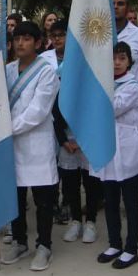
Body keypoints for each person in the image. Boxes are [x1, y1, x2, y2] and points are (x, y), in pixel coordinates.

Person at [0, 21, 61, 271]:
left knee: (43, 199)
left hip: (36, 143)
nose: (20, 43)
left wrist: (6, 129)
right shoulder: (7, 70)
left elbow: (38, 111)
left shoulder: (47, 71)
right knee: (16, 197)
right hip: (11, 145)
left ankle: (44, 246)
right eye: (16, 39)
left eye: (26, 39)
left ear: (37, 42)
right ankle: (20, 241)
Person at [92, 42, 138, 269]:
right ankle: (114, 243)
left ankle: (131, 247)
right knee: (110, 199)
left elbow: (112, 107)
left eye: (122, 58)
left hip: (128, 147)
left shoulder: (133, 85)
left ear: (129, 62)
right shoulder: (104, 83)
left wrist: (96, 93)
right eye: (113, 58)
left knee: (131, 201)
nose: (116, 63)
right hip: (108, 146)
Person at [44, 21, 98, 245]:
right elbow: (54, 109)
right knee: (70, 182)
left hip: (87, 136)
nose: (58, 39)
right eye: (53, 35)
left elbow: (94, 108)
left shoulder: (88, 69)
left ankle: (91, 221)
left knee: (91, 181)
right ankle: (76, 219)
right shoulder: (55, 71)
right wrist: (64, 140)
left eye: (62, 35)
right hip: (67, 138)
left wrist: (86, 138)